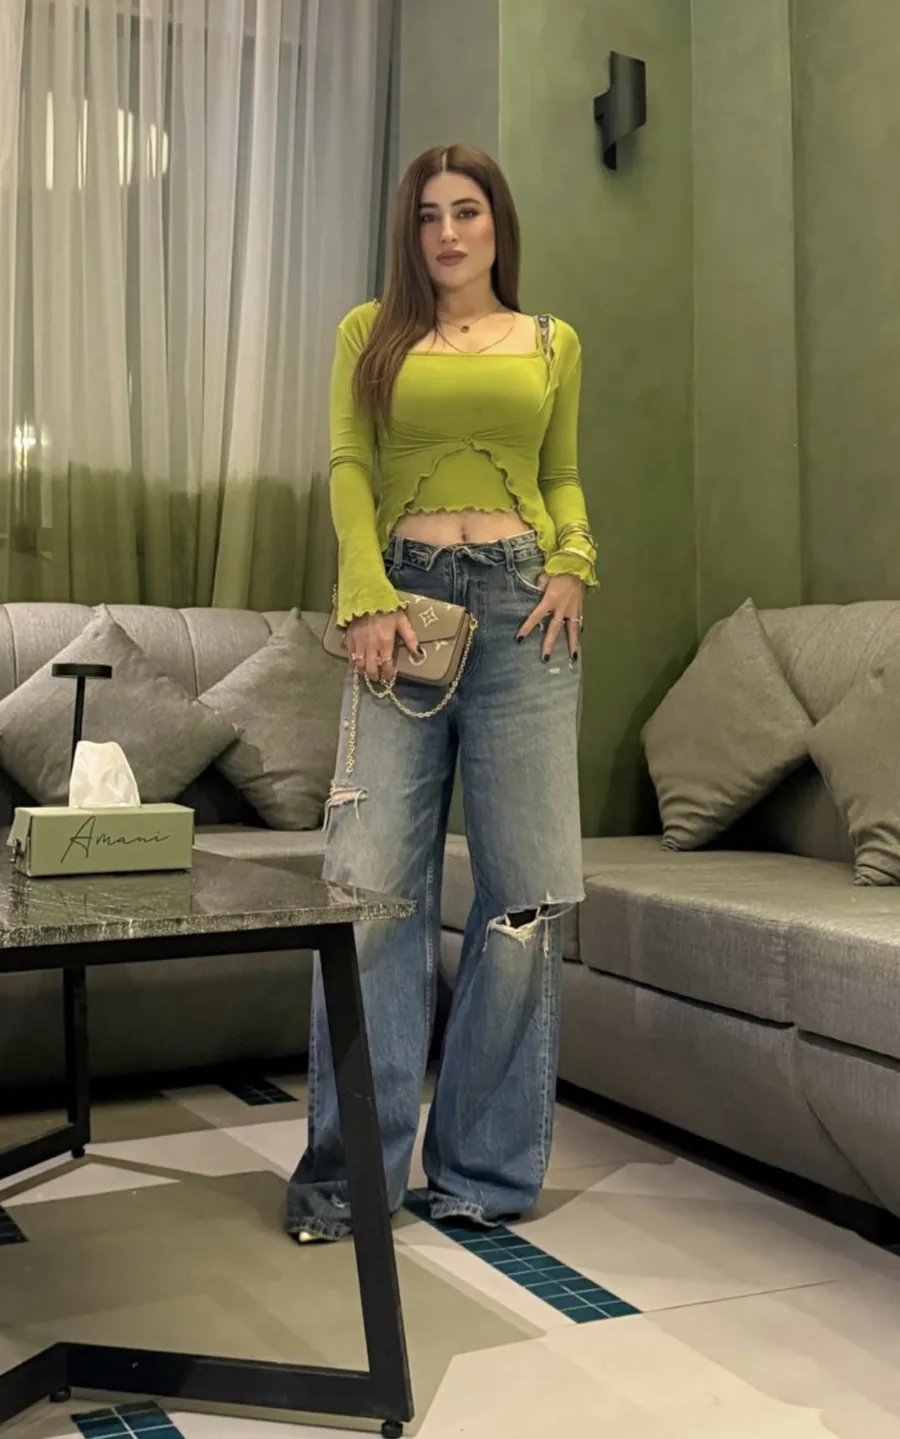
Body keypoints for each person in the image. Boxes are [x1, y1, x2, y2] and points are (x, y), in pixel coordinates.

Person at [287, 144, 597, 1242]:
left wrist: (575, 561)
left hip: (525, 613)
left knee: (525, 901)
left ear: (497, 223)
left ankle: (482, 1171)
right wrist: (366, 592)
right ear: (408, 231)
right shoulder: (369, 332)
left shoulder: (552, 342)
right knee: (370, 893)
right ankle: (347, 1177)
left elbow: (560, 475)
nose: (449, 232)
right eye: (428, 215)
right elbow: (349, 465)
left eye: (468, 211)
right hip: (402, 610)